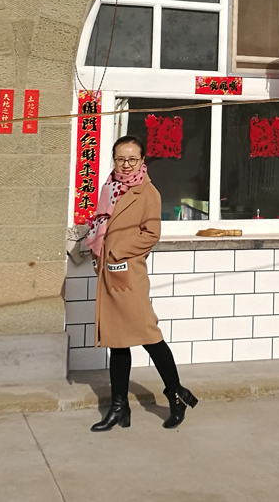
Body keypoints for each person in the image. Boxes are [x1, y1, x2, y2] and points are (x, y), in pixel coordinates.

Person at [85, 135, 198, 431]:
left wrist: (116, 251)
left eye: (132, 159)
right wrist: (99, 254)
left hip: (128, 274)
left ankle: (176, 394)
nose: (126, 165)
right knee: (116, 342)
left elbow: (151, 234)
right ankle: (118, 407)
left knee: (149, 335)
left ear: (142, 160)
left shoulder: (148, 192)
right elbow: (101, 224)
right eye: (121, 159)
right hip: (107, 273)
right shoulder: (109, 187)